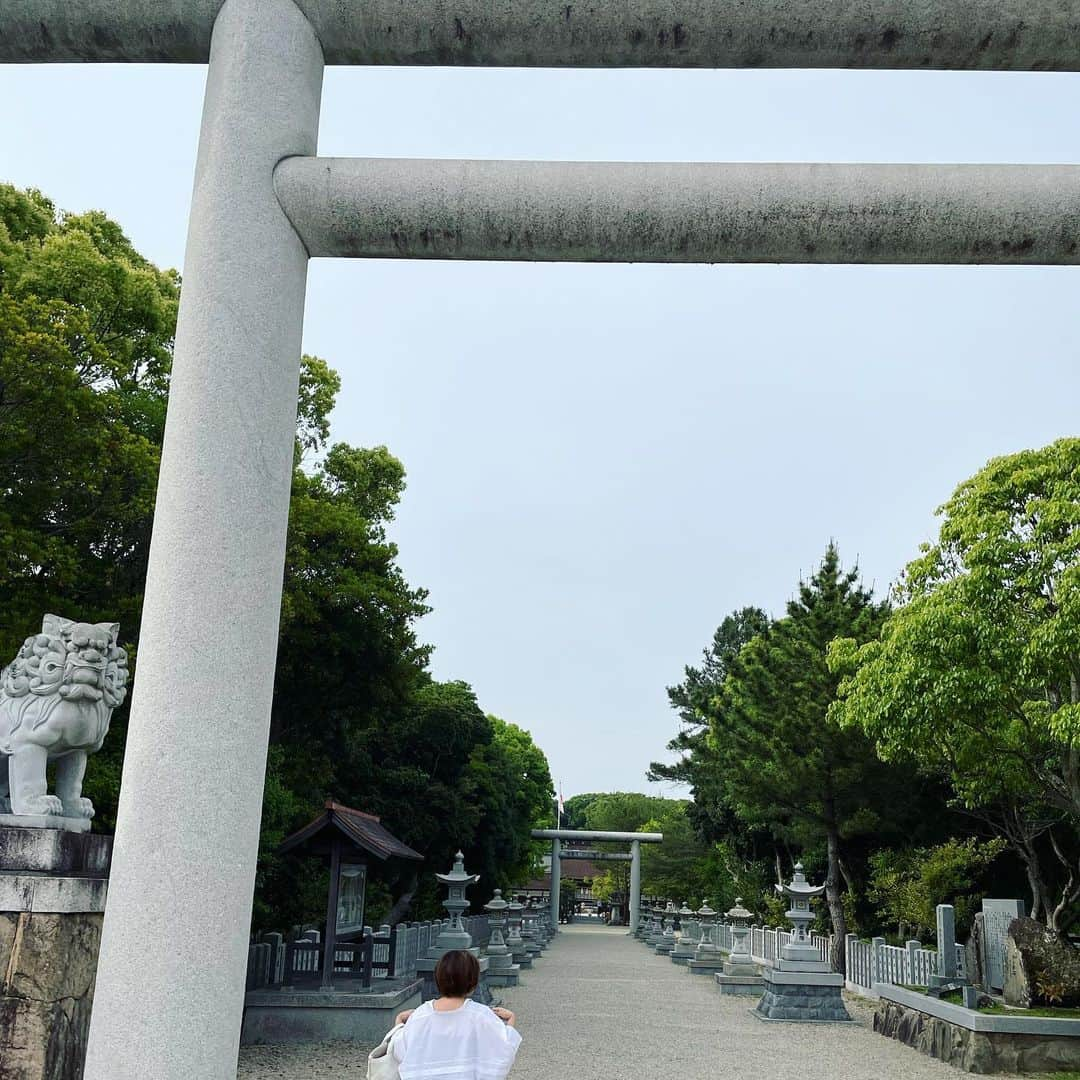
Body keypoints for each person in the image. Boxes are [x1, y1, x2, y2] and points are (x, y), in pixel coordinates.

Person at [392, 950, 521, 1079]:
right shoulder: (481, 1015)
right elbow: (503, 1054)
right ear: (473, 983)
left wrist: (398, 1023)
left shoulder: (420, 1015)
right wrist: (510, 1020)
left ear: (438, 978)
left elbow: (399, 1053)